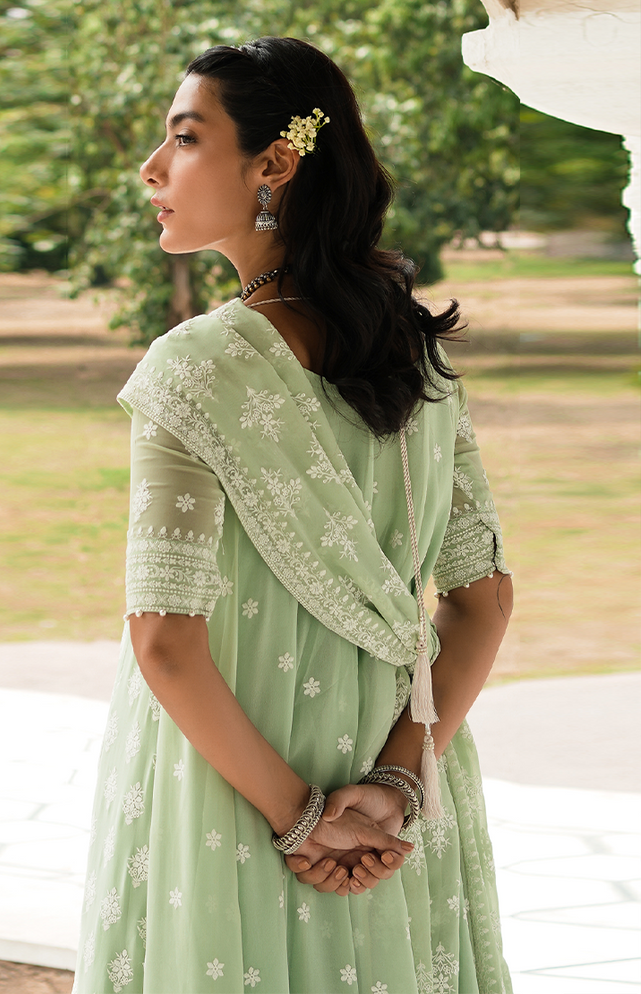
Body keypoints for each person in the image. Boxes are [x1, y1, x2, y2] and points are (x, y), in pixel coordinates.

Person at [72, 36, 514, 994]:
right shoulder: (418, 358)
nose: (152, 168)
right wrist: (395, 784)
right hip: (398, 784)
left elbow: (166, 641)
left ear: (273, 163)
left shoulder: (194, 368)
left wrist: (304, 818)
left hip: (231, 789)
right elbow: (482, 601)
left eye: (186, 138)